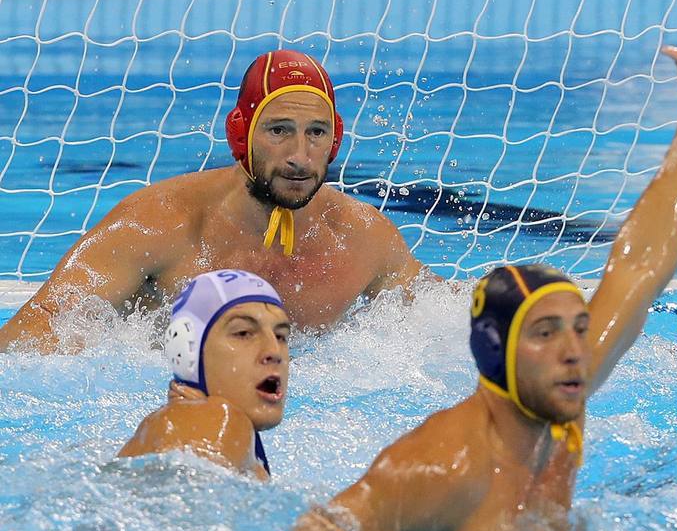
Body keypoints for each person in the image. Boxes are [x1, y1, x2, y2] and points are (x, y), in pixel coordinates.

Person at [264, 0, 677, 531]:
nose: (573, 350)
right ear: (497, 353)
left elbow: (639, 266)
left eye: (578, 329)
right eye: (545, 333)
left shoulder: (561, 399)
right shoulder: (437, 468)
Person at [0, 50, 425, 352]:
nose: (300, 155)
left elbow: (440, 314)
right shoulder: (159, 223)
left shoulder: (362, 236)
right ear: (241, 135)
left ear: (335, 140)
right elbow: (39, 329)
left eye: (316, 132)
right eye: (278, 130)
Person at [118, 269, 290, 480]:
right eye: (243, 333)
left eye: (281, 336)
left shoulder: (183, 426)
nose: (274, 352)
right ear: (187, 349)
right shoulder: (220, 420)